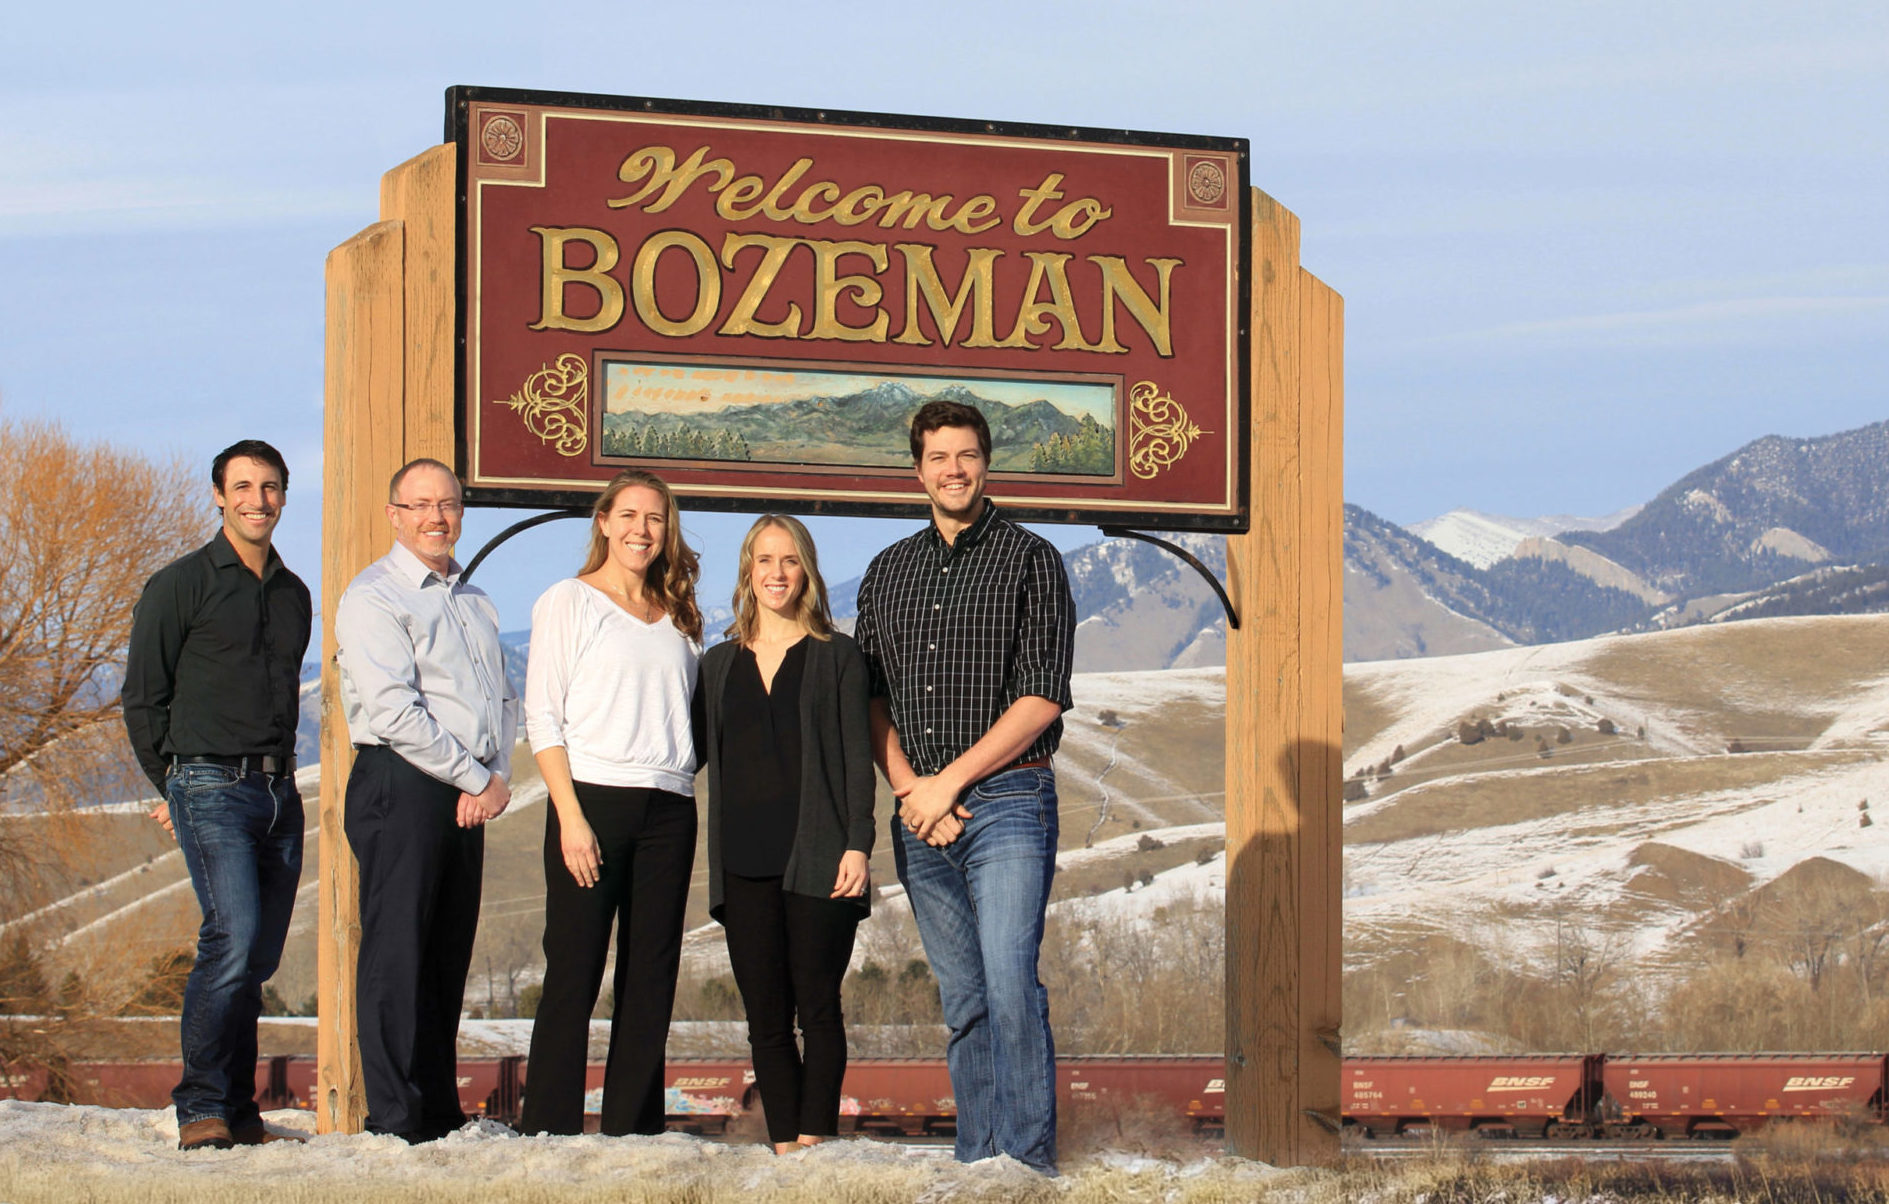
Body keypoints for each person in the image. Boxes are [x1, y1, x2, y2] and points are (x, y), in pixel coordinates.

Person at [853, 399, 1075, 1175]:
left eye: (967, 455)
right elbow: (869, 697)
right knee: (965, 1002)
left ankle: (1026, 1166)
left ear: (986, 463)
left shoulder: (1031, 559)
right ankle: (978, 1162)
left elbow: (1043, 692)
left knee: (1011, 984)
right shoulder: (886, 572)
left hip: (1010, 802)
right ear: (917, 470)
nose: (954, 469)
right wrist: (915, 789)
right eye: (939, 457)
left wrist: (948, 783)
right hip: (920, 815)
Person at [122, 439, 311, 1152]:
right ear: (217, 495)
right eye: (242, 486)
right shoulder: (179, 585)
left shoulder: (294, 595)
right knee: (228, 941)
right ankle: (199, 1104)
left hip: (278, 790)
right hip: (207, 782)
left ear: (284, 497)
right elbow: (143, 698)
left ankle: (237, 1107)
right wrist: (170, 784)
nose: (256, 499)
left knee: (256, 959)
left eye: (269, 487)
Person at [334, 457, 515, 1143]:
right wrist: (473, 776)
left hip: (466, 786)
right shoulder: (373, 597)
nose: (436, 518)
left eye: (448, 504)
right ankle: (392, 1116)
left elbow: (500, 697)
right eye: (420, 506)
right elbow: (393, 710)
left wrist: (491, 776)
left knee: (445, 950)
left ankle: (437, 1108)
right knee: (397, 950)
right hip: (400, 782)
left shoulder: (473, 599)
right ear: (394, 515)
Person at [519, 468, 704, 1136]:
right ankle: (548, 1126)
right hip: (591, 802)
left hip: (669, 808)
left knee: (650, 974)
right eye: (628, 515)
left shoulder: (680, 615)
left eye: (654, 519)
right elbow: (543, 718)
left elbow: (685, 719)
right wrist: (570, 818)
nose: (641, 530)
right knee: (574, 967)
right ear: (603, 522)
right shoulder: (569, 601)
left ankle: (632, 1128)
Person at [697, 515, 874, 1154]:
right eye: (764, 560)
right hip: (743, 865)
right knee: (766, 1021)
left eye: (789, 560)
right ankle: (784, 1149)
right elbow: (682, 752)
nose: (776, 573)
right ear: (748, 570)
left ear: (807, 572)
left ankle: (816, 1141)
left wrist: (859, 842)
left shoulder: (837, 655)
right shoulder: (717, 665)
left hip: (821, 859)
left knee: (818, 1009)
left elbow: (859, 758)